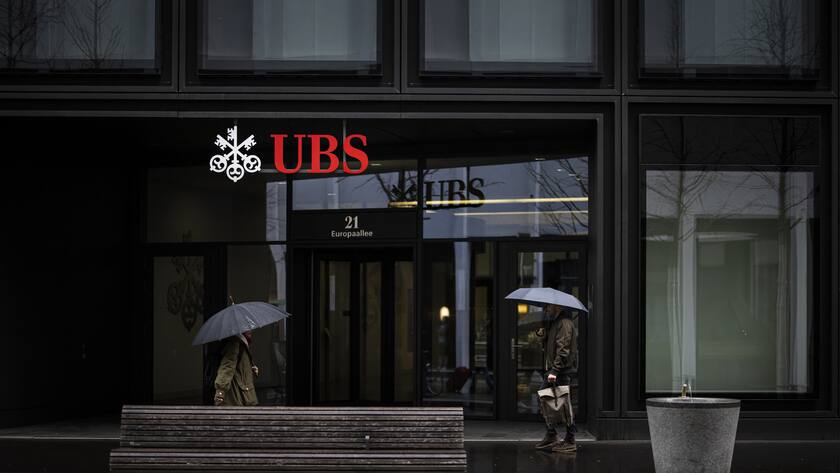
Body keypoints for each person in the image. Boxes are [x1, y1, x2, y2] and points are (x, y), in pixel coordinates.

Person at [534, 304, 579, 454]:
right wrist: (543, 336)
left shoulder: (564, 323)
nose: (546, 309)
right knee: (546, 399)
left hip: (560, 371)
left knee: (564, 404)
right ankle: (552, 434)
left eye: (547, 307)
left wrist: (555, 370)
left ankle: (570, 439)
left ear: (556, 306)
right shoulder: (555, 322)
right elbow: (553, 346)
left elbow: (563, 349)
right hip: (556, 370)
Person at [213, 330, 260, 406]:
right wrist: (220, 392)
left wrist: (251, 368)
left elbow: (240, 366)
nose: (250, 330)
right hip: (236, 395)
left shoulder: (242, 343)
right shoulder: (234, 343)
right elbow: (227, 367)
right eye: (246, 328)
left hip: (242, 392)